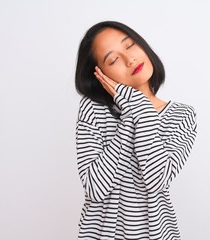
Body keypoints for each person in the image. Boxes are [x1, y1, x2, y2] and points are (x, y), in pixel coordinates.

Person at [74, 20, 197, 240]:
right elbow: (95, 188)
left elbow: (155, 179)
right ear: (101, 74)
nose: (130, 59)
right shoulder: (93, 110)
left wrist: (141, 110)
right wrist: (133, 110)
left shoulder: (182, 116)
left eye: (130, 46)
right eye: (113, 59)